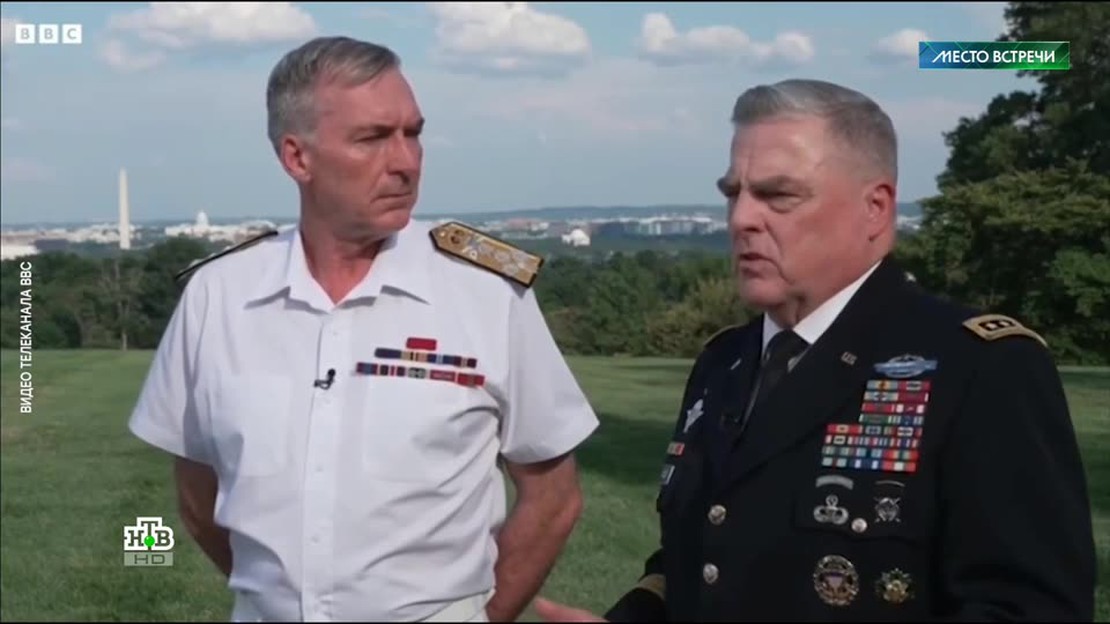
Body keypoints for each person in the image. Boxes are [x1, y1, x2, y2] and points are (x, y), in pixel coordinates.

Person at [533, 79, 1097, 621]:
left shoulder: (978, 366)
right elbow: (697, 561)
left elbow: (1029, 607)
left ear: (875, 209)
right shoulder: (723, 363)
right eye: (733, 193)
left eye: (778, 195)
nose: (741, 218)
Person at [128, 36, 599, 622]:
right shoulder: (219, 295)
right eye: (373, 138)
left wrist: (481, 616)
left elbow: (553, 498)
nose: (406, 162)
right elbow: (198, 495)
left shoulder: (486, 293)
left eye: (413, 133)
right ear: (297, 158)